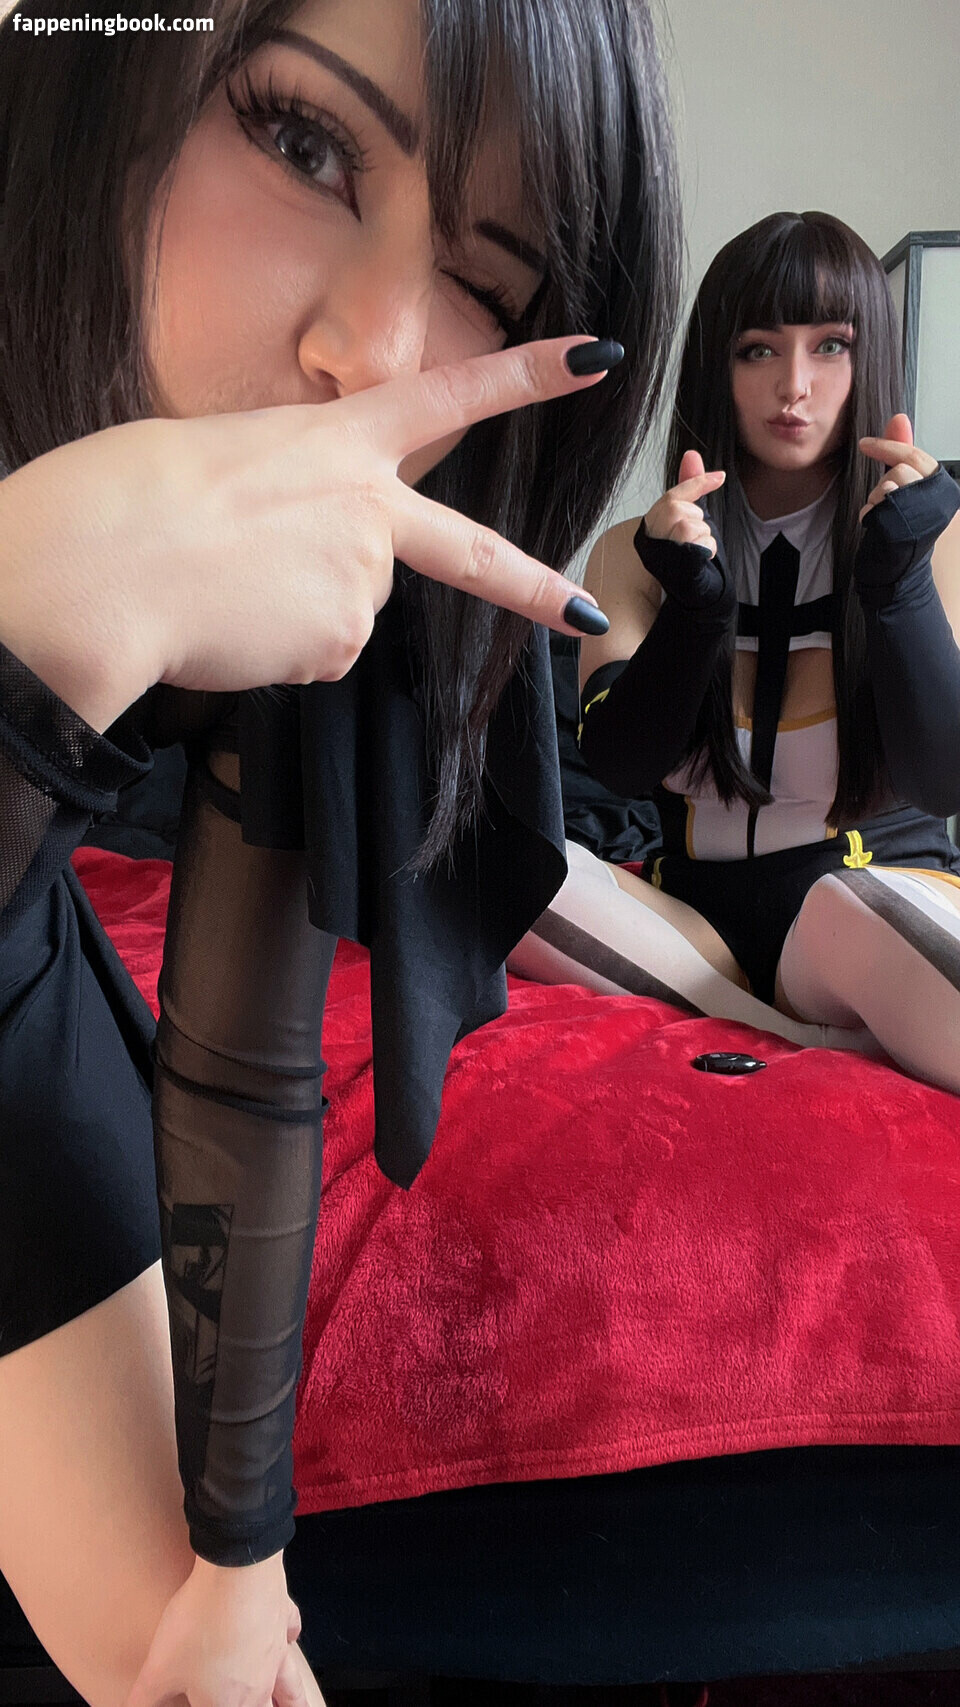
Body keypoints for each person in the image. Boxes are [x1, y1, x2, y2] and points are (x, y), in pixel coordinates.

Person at [0, 2, 683, 1703]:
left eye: (486, 284)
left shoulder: (335, 571)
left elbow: (246, 1068)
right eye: (304, 143)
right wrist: (35, 607)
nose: (375, 354)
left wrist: (242, 1560)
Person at [509, 211, 960, 1092]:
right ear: (717, 366)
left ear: (869, 360)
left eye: (830, 346)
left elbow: (943, 781)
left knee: (844, 907)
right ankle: (792, 1036)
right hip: (695, 927)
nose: (794, 385)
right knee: (515, 865)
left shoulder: (938, 538)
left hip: (863, 913)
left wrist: (899, 586)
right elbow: (622, 763)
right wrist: (695, 612)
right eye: (759, 349)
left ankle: (762, 1021)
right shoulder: (629, 551)